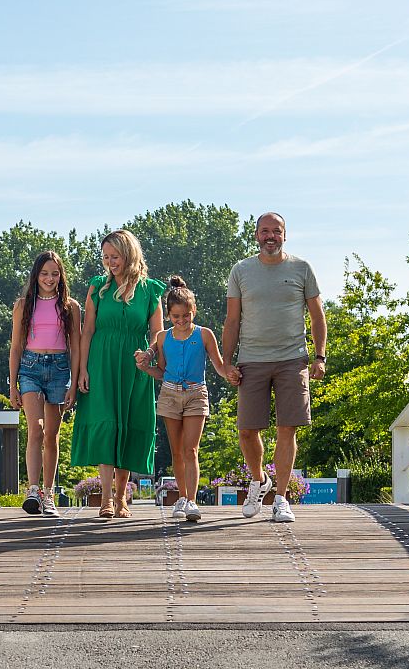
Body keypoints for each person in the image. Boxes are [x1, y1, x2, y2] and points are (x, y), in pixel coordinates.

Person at [222, 211, 326, 523]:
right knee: (246, 430)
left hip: (292, 359)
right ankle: (259, 480)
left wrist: (319, 357)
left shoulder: (301, 268)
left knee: (287, 428)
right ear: (256, 235)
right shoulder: (241, 270)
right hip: (251, 359)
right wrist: (226, 363)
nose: (270, 236)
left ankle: (280, 498)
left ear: (284, 235)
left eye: (276, 231)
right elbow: (232, 320)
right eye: (265, 231)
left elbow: (318, 315)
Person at [72, 229, 165, 519]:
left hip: (135, 367)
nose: (110, 262)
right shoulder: (97, 286)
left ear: (129, 255)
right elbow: (86, 331)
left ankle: (122, 498)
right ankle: (105, 500)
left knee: (127, 425)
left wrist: (149, 354)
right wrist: (83, 369)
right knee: (106, 426)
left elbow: (157, 333)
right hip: (101, 364)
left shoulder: (150, 290)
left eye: (115, 256)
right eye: (106, 257)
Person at [134, 275, 238, 523]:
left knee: (191, 449)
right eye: (176, 317)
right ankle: (182, 496)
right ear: (169, 315)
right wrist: (145, 368)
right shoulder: (162, 338)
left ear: (194, 311)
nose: (181, 321)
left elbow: (218, 364)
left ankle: (191, 500)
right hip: (169, 394)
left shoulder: (204, 335)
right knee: (177, 451)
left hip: (195, 394)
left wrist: (229, 374)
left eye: (186, 316)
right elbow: (161, 371)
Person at [8, 250, 80, 516]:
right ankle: (33, 490)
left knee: (52, 434)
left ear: (61, 276)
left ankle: (49, 494)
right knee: (35, 429)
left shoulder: (70, 307)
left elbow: (75, 347)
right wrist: (12, 385)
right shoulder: (23, 305)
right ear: (36, 275)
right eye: (44, 273)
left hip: (60, 369)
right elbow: (15, 347)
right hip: (30, 368)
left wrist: (73, 384)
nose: (49, 278)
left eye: (55, 273)